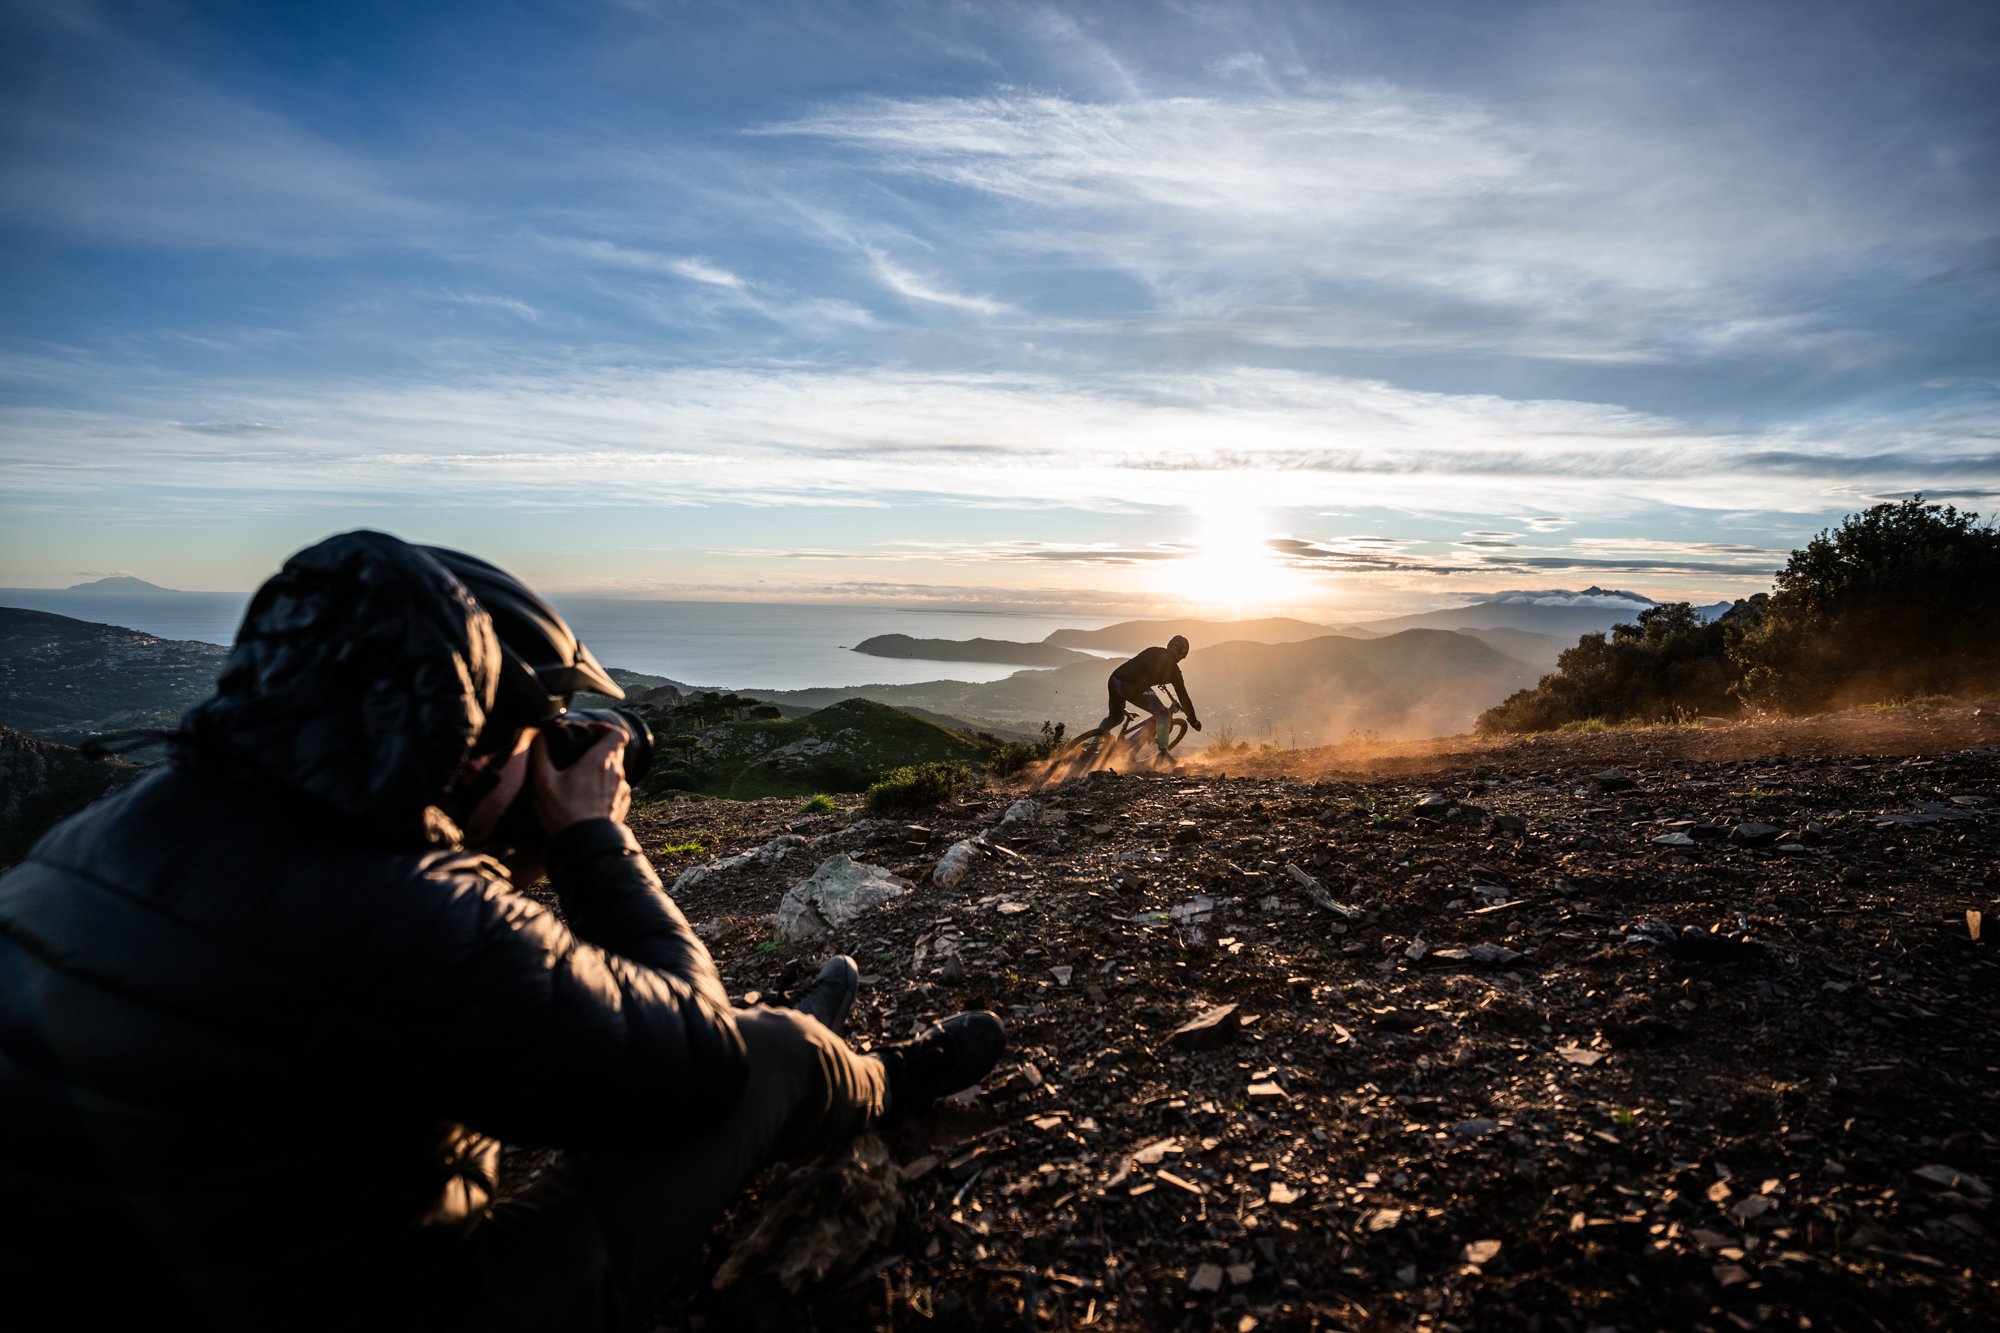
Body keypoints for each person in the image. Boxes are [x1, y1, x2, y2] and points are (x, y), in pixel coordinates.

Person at [0, 531, 1004, 1332]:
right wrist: (593, 839)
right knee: (768, 1050)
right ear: (474, 747)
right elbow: (699, 1062)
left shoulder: (75, 845)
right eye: (539, 740)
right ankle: (876, 1080)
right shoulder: (407, 912)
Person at [1097, 633, 1204, 756]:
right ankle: (1164, 753)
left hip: (1115, 680)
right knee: (1163, 713)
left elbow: (1141, 666)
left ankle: (1091, 746)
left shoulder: (1153, 650)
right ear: (1181, 655)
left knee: (1115, 718)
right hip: (1132, 688)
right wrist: (1193, 721)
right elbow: (1184, 698)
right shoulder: (1174, 671)